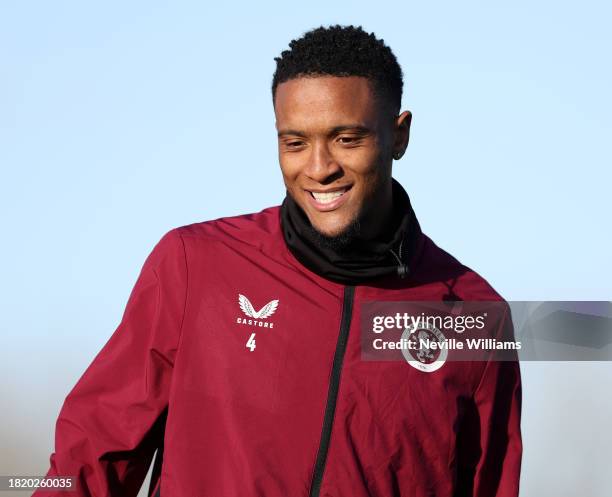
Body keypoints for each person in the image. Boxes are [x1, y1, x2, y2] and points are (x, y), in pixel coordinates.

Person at [35, 24, 522, 497]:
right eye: (295, 142)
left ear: (399, 136)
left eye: (346, 139)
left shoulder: (476, 317)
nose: (318, 168)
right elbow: (90, 456)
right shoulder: (195, 264)